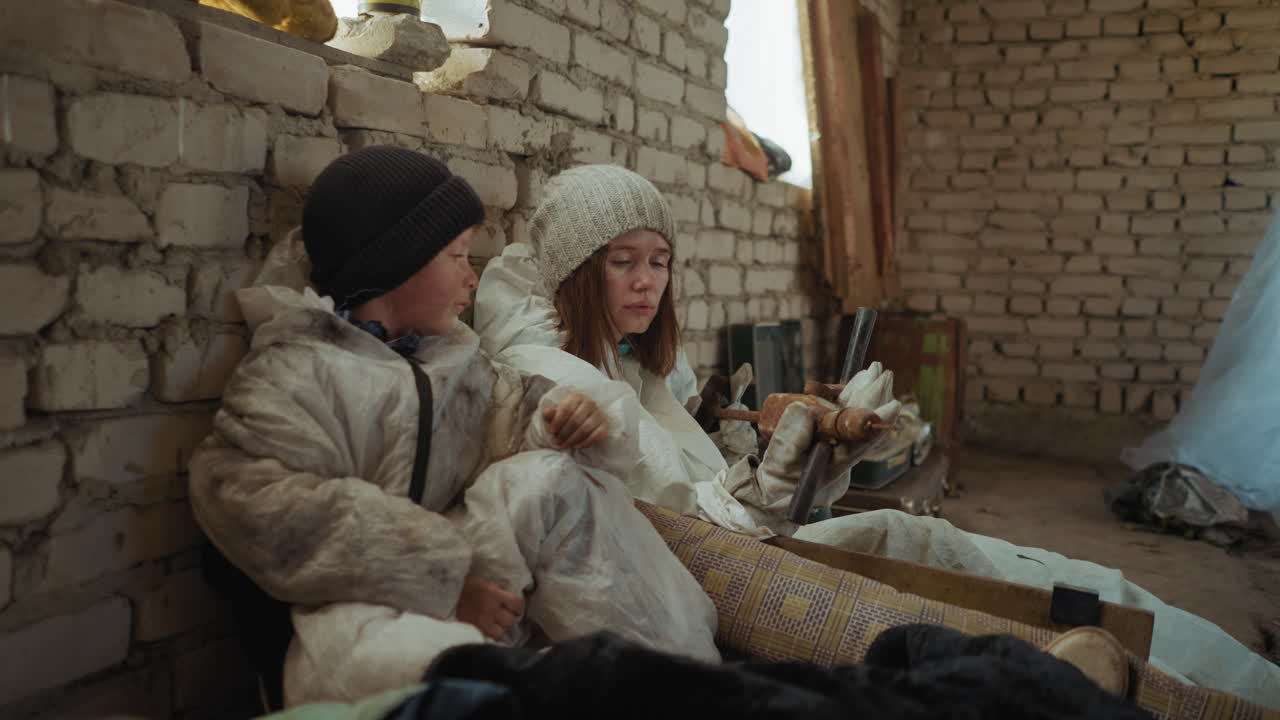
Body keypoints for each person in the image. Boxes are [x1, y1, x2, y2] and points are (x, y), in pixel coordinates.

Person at [474, 164, 1280, 708]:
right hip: (725, 584)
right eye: (623, 262)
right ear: (579, 269)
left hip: (749, 553)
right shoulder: (560, 377)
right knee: (966, 569)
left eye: (659, 261)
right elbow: (701, 527)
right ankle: (1220, 693)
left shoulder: (630, 365)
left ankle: (1242, 680)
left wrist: (824, 454)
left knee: (1029, 566)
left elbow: (717, 491)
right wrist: (794, 460)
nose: (648, 281)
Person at [189, 148, 718, 707]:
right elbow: (258, 501)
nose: (472, 276)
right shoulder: (297, 373)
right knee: (500, 681)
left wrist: (571, 419)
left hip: (477, 594)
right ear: (395, 264)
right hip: (354, 625)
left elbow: (516, 418)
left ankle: (687, 678)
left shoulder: (455, 365)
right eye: (456, 256)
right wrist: (445, 578)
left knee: (552, 477)